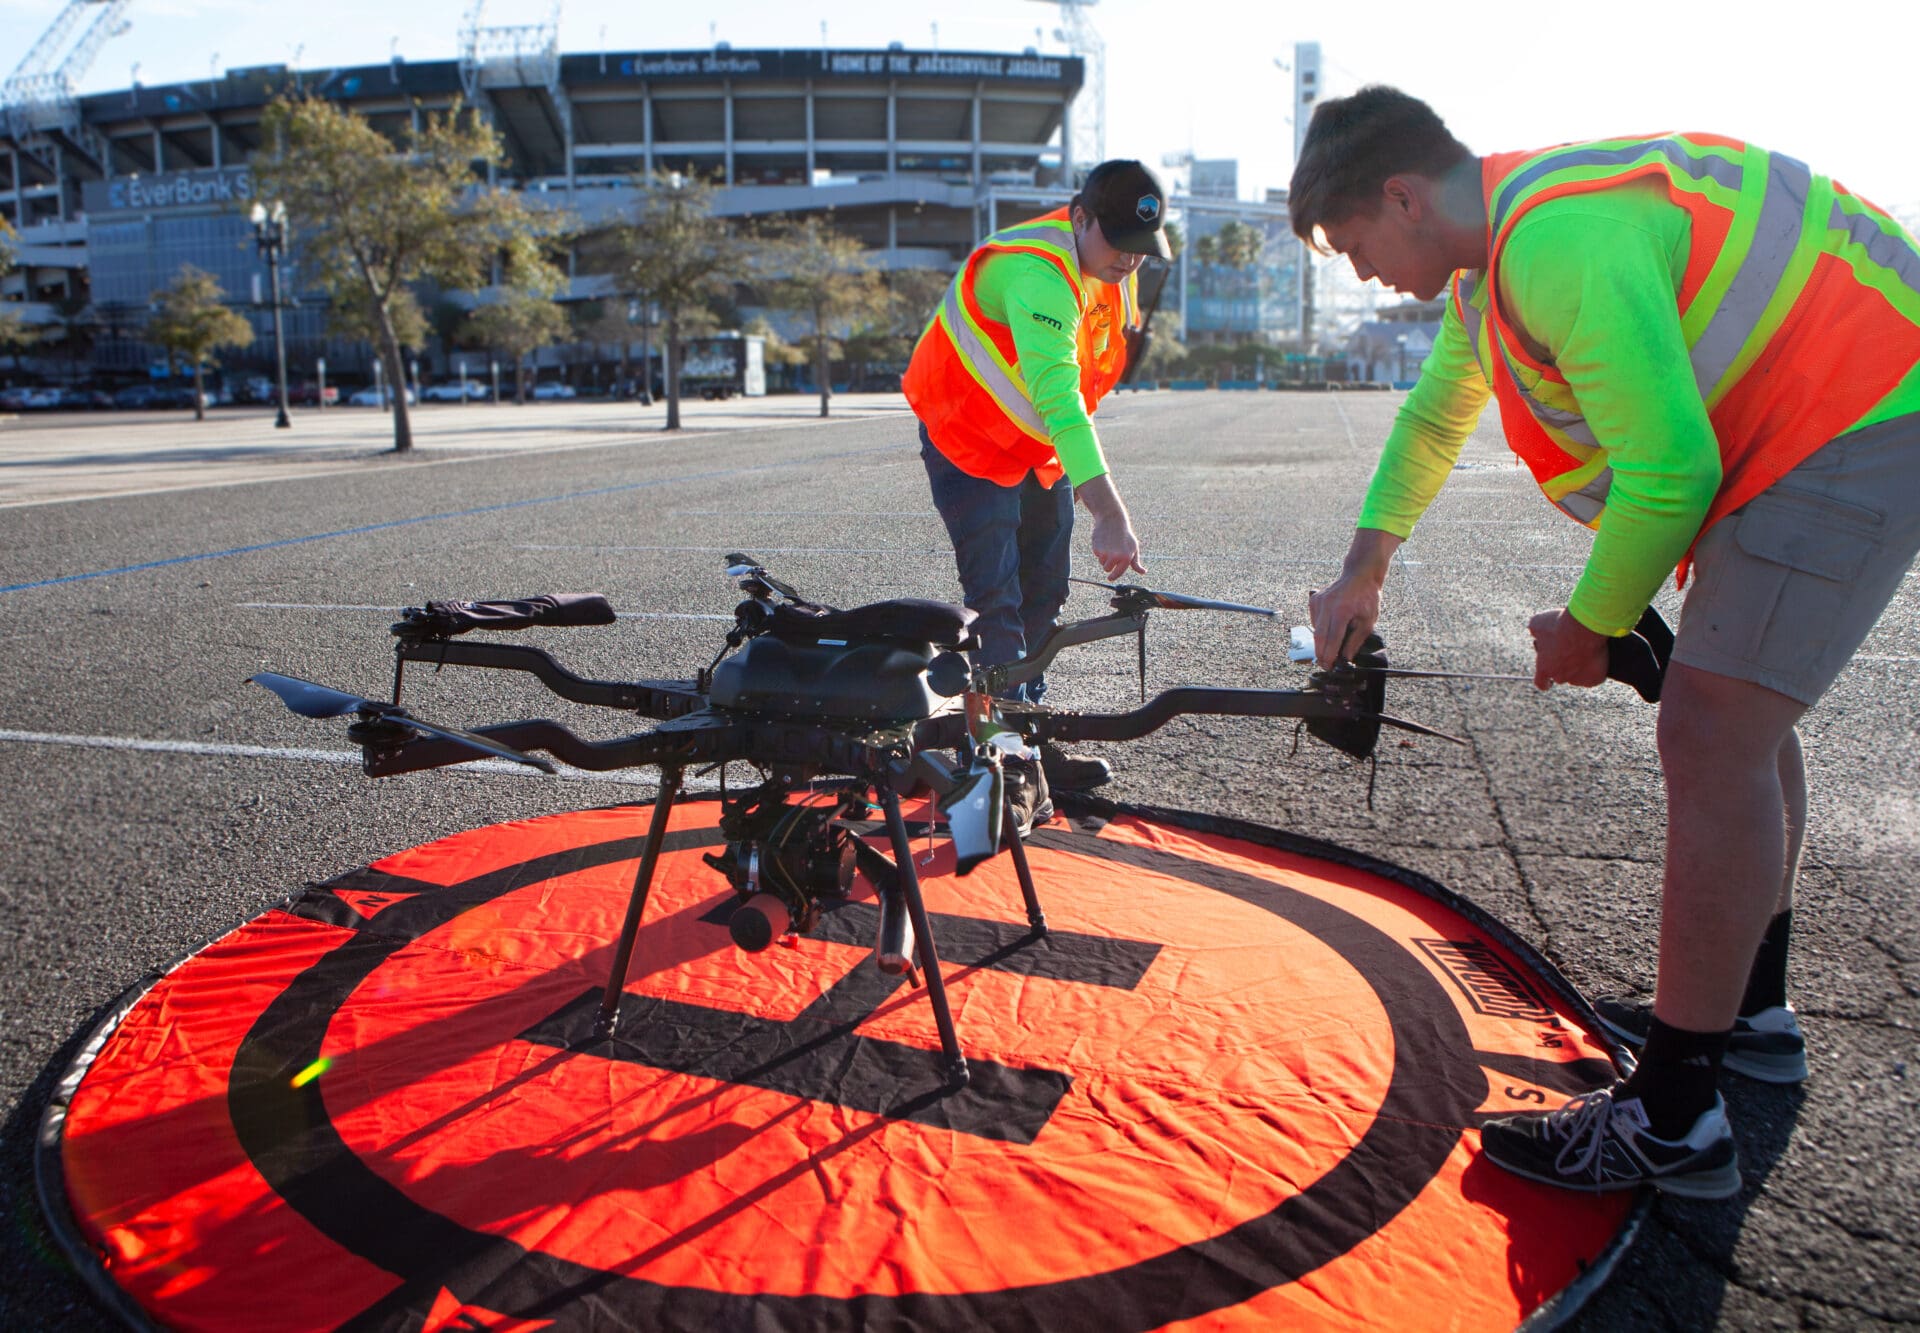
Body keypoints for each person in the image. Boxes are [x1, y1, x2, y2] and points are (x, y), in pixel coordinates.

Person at [1292, 86, 1920, 1199]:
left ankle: (1675, 1118)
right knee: (1743, 719)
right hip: (1839, 398)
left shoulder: (1555, 242)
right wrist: (1363, 566)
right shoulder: (1499, 257)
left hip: (1857, 405)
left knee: (1715, 729)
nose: (1359, 271)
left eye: (1352, 244)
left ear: (1402, 195)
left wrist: (1594, 627)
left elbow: (1672, 468)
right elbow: (1439, 414)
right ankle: (1748, 1014)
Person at [904, 158, 1166, 827]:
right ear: (1079, 218)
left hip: (1031, 449)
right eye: (1119, 246)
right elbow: (1061, 401)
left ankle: (1030, 740)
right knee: (998, 601)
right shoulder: (1035, 273)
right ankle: (1001, 760)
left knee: (1044, 592)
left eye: (1142, 252)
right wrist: (1108, 510)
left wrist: (1078, 479)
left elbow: (1079, 386)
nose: (1129, 264)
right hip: (968, 438)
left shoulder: (1108, 270)